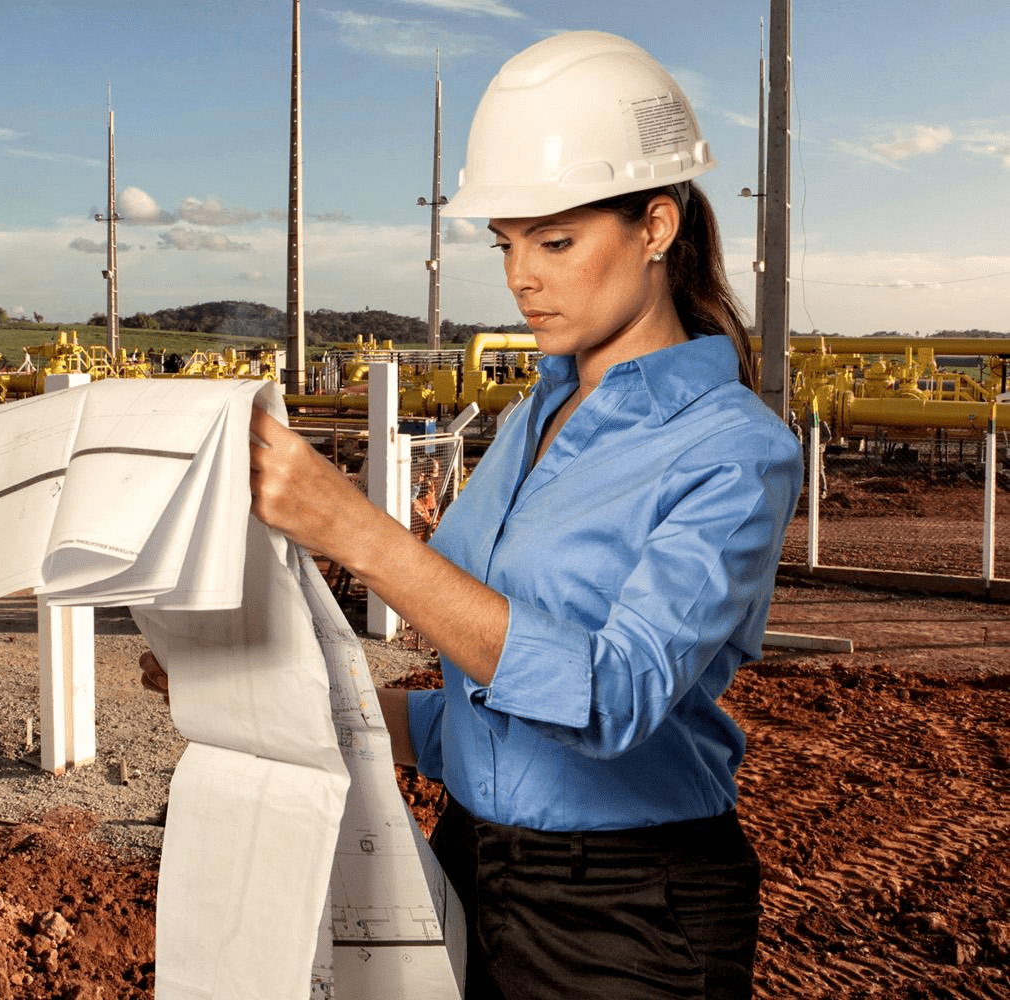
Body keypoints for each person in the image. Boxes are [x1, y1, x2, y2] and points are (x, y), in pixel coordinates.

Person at [142, 31, 803, 1000]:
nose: (521, 277)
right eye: (506, 243)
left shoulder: (733, 450)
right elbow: (485, 722)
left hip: (626, 916)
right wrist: (256, 687)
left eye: (556, 239)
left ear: (657, 225)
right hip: (468, 868)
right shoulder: (532, 418)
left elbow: (610, 697)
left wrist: (358, 533)